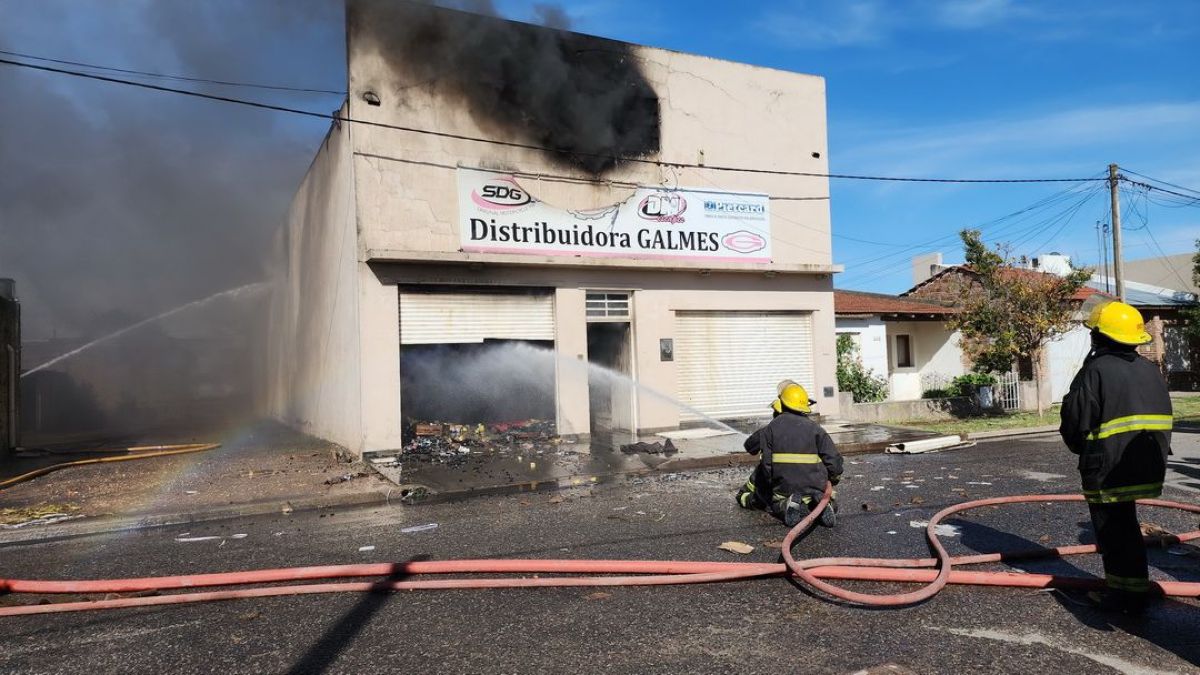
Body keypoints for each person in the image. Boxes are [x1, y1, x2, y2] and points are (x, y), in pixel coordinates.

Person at [1060, 300, 1173, 615]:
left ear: (1100, 336)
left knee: (1115, 532)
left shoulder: (1096, 370)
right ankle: (1134, 589)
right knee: (1125, 526)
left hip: (1108, 468)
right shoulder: (1149, 369)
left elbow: (1075, 422)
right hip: (1149, 464)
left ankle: (1126, 598)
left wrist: (1084, 450)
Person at [736, 382, 844, 527]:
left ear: (782, 404)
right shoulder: (816, 429)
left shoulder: (771, 429)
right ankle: (823, 503)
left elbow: (765, 463)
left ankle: (786, 505)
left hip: (784, 489)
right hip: (815, 487)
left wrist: (771, 483)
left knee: (776, 503)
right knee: (825, 498)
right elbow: (834, 462)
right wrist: (832, 480)